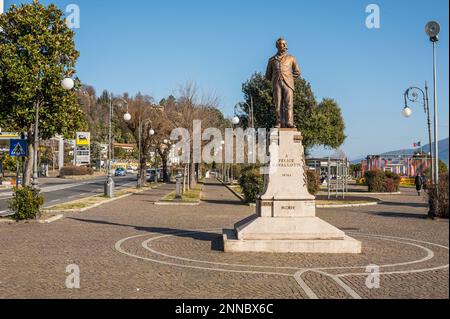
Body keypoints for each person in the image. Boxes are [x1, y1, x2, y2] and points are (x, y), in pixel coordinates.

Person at [265, 37, 301, 128]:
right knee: (278, 105)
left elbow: (297, 72)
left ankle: (289, 122)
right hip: (276, 84)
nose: (285, 45)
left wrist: (289, 78)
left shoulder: (291, 58)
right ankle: (279, 122)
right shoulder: (272, 60)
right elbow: (267, 75)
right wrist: (275, 80)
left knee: (289, 104)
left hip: (288, 83)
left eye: (285, 44)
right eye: (282, 44)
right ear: (277, 46)